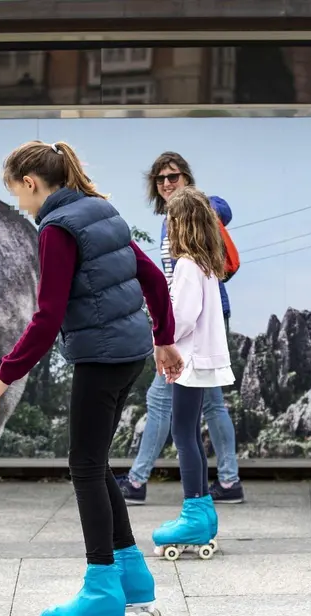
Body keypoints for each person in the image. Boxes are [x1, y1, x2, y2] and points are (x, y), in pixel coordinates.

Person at [0, 140, 183, 616]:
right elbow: (154, 279)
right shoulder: (101, 211)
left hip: (100, 356)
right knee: (94, 462)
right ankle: (132, 577)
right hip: (130, 353)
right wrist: (163, 339)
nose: (19, 206)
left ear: (31, 182)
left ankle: (99, 589)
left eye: (16, 194)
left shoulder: (56, 229)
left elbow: (47, 317)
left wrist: (5, 374)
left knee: (84, 466)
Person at [117, 151, 245, 506]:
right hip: (197, 323)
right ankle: (229, 481)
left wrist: (164, 334)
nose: (167, 183)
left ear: (187, 179)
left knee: (160, 401)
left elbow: (222, 207)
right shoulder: (170, 221)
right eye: (161, 179)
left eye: (174, 177)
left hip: (191, 327)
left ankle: (139, 480)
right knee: (211, 405)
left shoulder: (193, 213)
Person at [150, 185, 234, 559]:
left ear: (181, 224)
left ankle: (194, 512)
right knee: (188, 432)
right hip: (202, 359)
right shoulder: (205, 264)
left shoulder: (186, 266)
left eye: (171, 221)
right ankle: (202, 512)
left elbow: (181, 318)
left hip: (189, 360)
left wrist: (158, 327)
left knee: (182, 432)